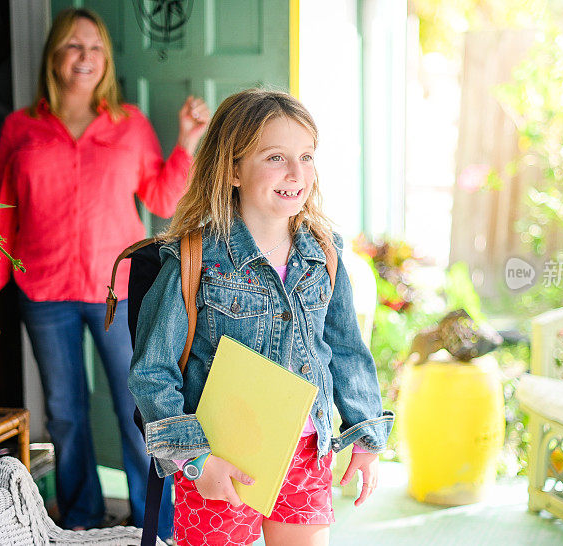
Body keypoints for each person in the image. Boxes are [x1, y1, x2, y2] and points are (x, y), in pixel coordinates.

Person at [0, 8, 209, 539]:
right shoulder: (21, 127)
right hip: (44, 290)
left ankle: (156, 525)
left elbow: (162, 197)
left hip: (118, 292)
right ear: (53, 58)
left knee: (138, 408)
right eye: (74, 47)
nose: (85, 57)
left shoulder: (129, 125)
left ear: (107, 62)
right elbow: (1, 209)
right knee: (65, 413)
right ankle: (80, 521)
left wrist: (187, 142)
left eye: (95, 48)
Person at [128, 89, 394, 545]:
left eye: (306, 157)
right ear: (232, 168)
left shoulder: (323, 252)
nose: (296, 173)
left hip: (306, 453)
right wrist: (196, 461)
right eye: (276, 157)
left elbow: (347, 350)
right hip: (221, 459)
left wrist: (366, 436)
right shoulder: (194, 260)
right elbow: (153, 372)